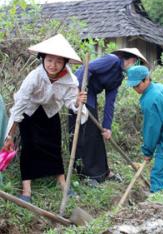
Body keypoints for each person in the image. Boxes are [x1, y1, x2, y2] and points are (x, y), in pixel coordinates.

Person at [1, 34, 87, 203]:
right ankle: (27, 190)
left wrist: (78, 101)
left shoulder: (69, 80)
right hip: (29, 112)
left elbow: (71, 102)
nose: (53, 65)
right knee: (29, 147)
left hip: (50, 111)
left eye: (58, 61)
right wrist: (10, 135)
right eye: (49, 60)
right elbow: (19, 106)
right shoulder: (34, 77)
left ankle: (63, 185)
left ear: (64, 63)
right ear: (42, 59)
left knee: (53, 146)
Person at [69, 48, 148, 186]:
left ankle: (103, 172)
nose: (135, 65)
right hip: (79, 91)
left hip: (91, 96)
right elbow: (86, 69)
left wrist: (107, 127)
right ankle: (86, 174)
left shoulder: (119, 77)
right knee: (84, 135)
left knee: (96, 135)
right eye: (134, 62)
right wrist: (78, 93)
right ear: (128, 58)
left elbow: (110, 102)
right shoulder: (112, 60)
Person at [127, 65, 163, 192]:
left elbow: (151, 130)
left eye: (137, 85)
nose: (135, 89)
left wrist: (148, 152)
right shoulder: (160, 87)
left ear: (146, 79)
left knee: (158, 181)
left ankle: (156, 208)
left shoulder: (149, 101)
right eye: (132, 86)